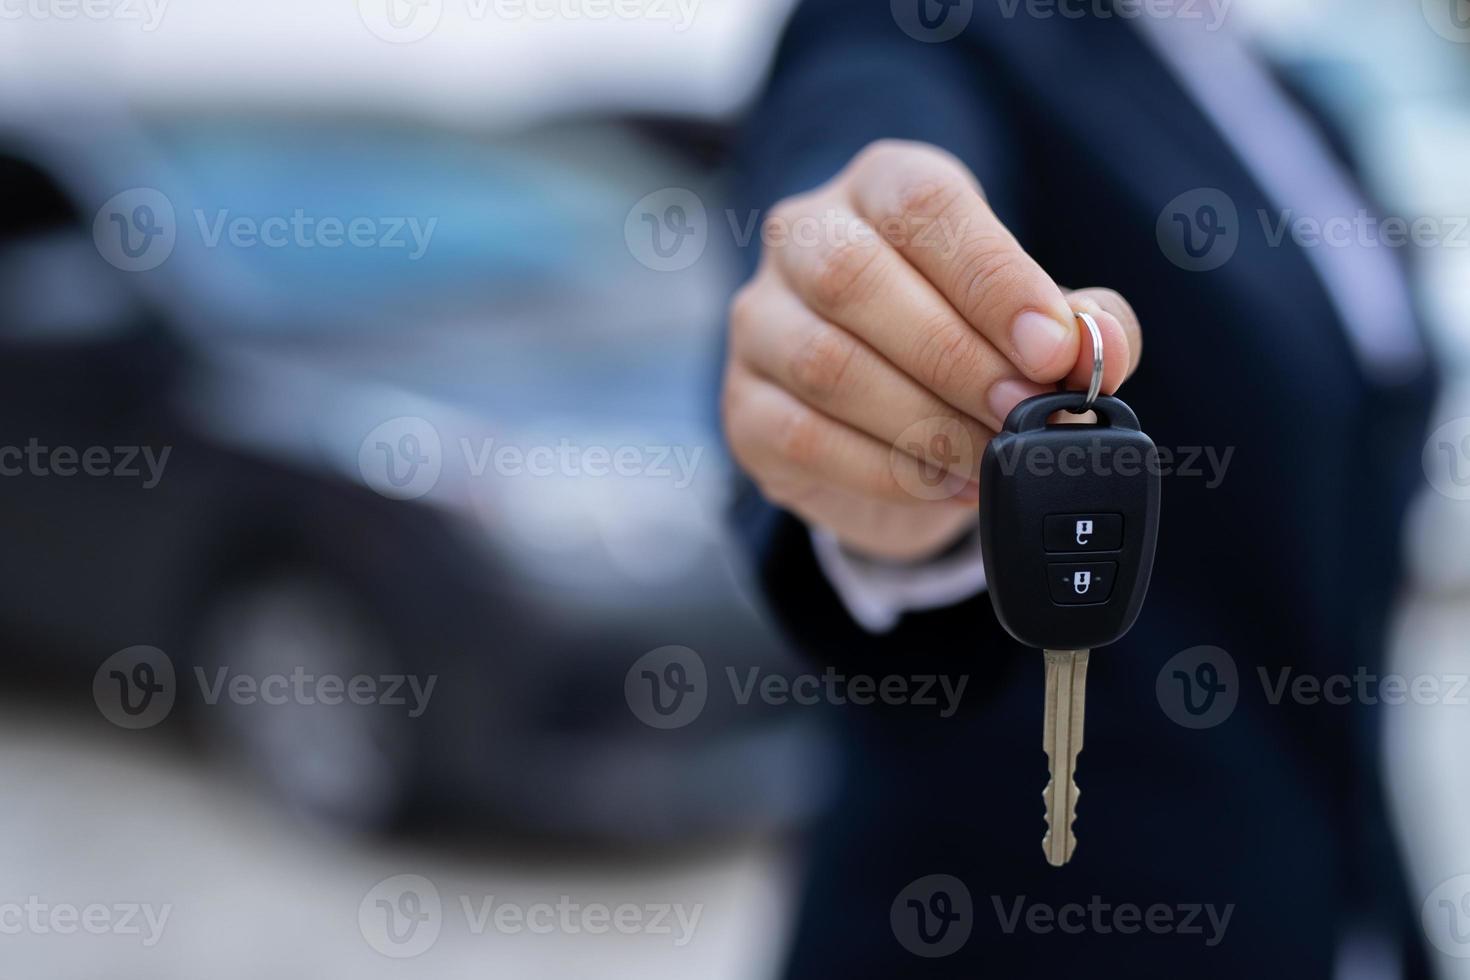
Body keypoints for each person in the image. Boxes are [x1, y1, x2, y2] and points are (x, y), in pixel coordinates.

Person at [721, 1, 1436, 975]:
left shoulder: (1298, 98)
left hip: (1337, 900)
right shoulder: (922, 25)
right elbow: (864, 136)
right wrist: (885, 444)